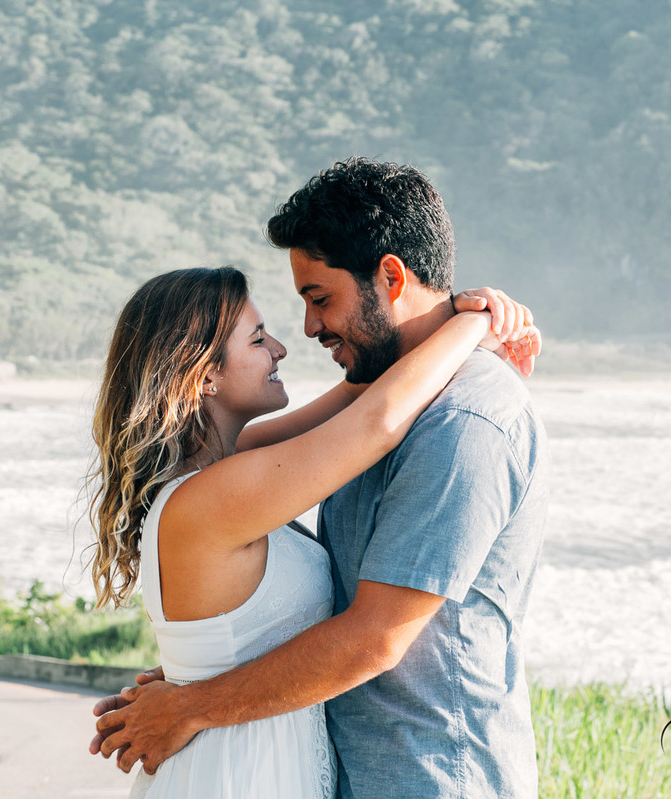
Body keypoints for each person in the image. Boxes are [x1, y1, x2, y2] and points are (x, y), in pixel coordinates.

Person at [92, 158, 550, 799]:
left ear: (390, 277)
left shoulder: (462, 419)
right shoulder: (229, 484)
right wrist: (474, 322)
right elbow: (374, 419)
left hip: (430, 776)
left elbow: (374, 634)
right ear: (202, 378)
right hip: (268, 770)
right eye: (258, 339)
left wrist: (197, 694)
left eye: (318, 298)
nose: (295, 337)